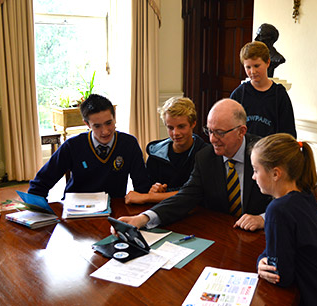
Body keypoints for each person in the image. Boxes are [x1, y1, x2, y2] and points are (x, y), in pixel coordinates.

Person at [114, 99, 272, 232]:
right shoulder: (205, 157)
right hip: (222, 234)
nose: (212, 139)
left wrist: (263, 218)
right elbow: (185, 197)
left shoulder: (266, 154)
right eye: (209, 131)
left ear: (241, 131)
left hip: (262, 236)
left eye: (220, 132)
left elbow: (290, 197)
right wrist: (142, 218)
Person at [252, 134, 317, 306]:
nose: (254, 177)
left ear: (276, 173)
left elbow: (281, 276)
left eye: (256, 170)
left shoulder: (278, 210)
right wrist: (264, 258)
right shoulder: (305, 195)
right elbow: (280, 249)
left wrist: (261, 262)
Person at [29, 94, 151, 199]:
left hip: (114, 209)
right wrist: (38, 211)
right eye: (97, 126)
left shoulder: (129, 143)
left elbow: (142, 186)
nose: (105, 131)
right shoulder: (72, 146)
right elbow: (40, 183)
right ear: (87, 124)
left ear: (114, 118)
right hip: (76, 211)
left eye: (109, 123)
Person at [125, 97, 208, 205]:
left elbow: (194, 194)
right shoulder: (156, 154)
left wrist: (149, 197)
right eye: (170, 128)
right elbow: (147, 189)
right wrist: (154, 190)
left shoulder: (205, 154)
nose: (175, 133)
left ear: (193, 124)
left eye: (181, 126)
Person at [230, 41, 296, 138]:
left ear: (268, 62)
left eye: (257, 66)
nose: (252, 71)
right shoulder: (239, 94)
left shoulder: (279, 95)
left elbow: (288, 132)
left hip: (271, 151)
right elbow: (230, 128)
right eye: (248, 67)